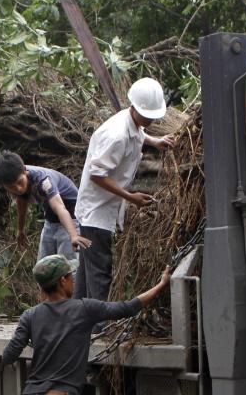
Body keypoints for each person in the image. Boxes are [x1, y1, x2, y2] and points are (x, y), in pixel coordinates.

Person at [2, 254, 171, 395]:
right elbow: (127, 308)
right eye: (71, 276)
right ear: (62, 281)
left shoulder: (29, 315)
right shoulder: (84, 309)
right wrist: (161, 285)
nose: (73, 281)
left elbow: (8, 356)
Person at [73, 77, 174, 301]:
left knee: (86, 272)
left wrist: (155, 141)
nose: (149, 120)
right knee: (99, 272)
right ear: (134, 107)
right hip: (96, 212)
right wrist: (130, 197)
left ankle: (76, 321)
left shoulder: (132, 122)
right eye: (147, 116)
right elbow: (97, 174)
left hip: (102, 209)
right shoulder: (116, 135)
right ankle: (97, 328)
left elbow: (137, 133)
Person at [0, 151, 92, 261]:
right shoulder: (12, 182)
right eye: (12, 187)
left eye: (20, 182)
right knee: (44, 268)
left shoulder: (43, 180)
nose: (18, 188)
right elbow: (22, 200)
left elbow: (59, 207)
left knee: (67, 267)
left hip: (71, 220)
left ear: (25, 171)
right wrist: (20, 230)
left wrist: (73, 235)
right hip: (50, 221)